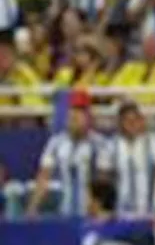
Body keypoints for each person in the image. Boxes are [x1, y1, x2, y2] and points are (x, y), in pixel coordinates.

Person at [29, 89, 105, 217]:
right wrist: (32, 208)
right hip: (62, 213)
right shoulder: (55, 143)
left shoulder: (99, 144)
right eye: (73, 111)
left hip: (89, 214)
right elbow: (44, 176)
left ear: (88, 116)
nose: (75, 116)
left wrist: (97, 208)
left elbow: (103, 179)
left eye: (80, 112)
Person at [98, 100, 155, 218]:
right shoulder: (110, 146)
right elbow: (104, 181)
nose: (132, 124)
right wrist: (104, 209)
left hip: (152, 212)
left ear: (141, 120)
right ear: (120, 123)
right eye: (127, 121)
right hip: (120, 213)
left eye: (135, 120)